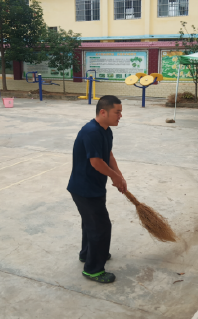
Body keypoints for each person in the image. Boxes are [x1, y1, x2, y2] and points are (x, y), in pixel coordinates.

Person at [67, 95, 127, 284]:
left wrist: (119, 175)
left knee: (91, 224)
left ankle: (87, 254)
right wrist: (114, 177)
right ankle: (93, 269)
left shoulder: (106, 130)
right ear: (103, 112)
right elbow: (96, 162)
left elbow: (107, 154)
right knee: (100, 227)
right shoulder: (91, 131)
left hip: (92, 186)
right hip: (84, 188)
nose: (120, 116)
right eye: (117, 112)